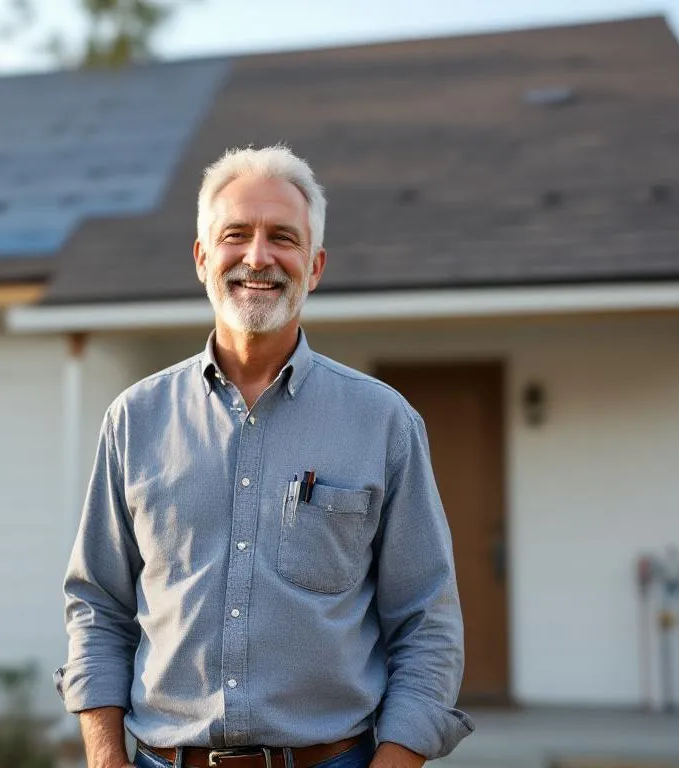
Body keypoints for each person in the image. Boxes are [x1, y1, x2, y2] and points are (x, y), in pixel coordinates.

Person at [55, 144, 473, 768]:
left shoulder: (384, 423)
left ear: (316, 264)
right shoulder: (134, 421)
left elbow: (427, 624)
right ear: (202, 258)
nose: (258, 257)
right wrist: (105, 758)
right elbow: (98, 608)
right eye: (235, 235)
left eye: (283, 237)